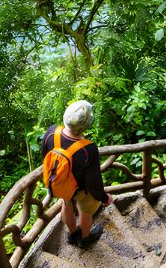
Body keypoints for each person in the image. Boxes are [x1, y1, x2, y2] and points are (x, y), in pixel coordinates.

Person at [40, 100, 113, 249]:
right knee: (86, 212)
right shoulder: (88, 149)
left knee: (66, 203)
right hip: (81, 190)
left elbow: (46, 158)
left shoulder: (51, 133)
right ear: (86, 125)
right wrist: (104, 198)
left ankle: (73, 234)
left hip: (62, 185)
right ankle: (84, 239)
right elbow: (94, 182)